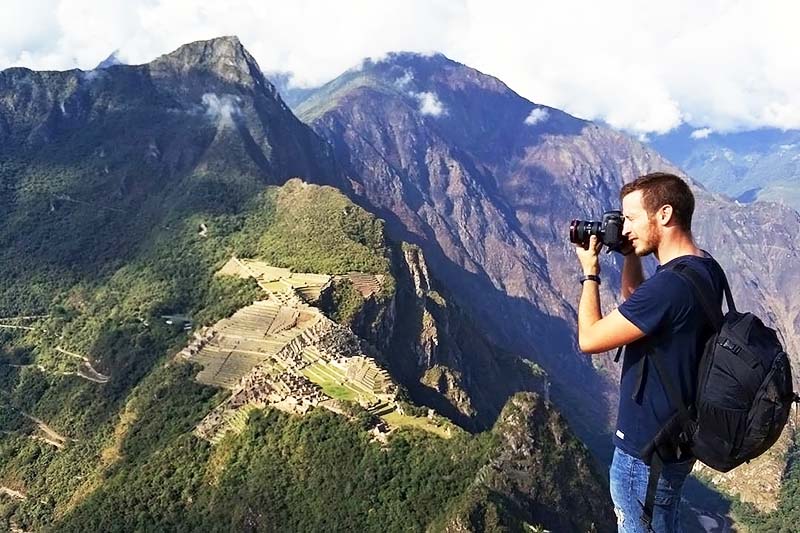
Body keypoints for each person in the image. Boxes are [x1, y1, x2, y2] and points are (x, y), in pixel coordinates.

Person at [574, 172, 726, 532]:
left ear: (664, 214)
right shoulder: (703, 267)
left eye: (631, 218)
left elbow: (590, 339)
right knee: (664, 521)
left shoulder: (668, 287)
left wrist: (591, 274)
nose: (625, 228)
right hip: (676, 440)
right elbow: (639, 305)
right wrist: (630, 256)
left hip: (642, 450)